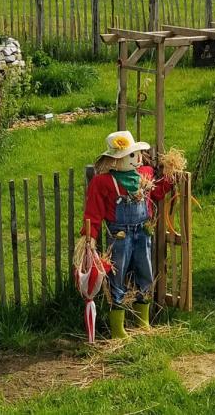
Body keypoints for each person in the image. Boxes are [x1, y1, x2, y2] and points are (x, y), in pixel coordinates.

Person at [79, 131, 175, 339]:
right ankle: (118, 329)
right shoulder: (103, 182)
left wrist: (170, 176)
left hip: (143, 232)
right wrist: (90, 237)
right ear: (115, 160)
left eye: (137, 153)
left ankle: (143, 322)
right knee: (117, 275)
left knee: (145, 272)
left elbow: (156, 193)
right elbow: (94, 212)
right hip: (119, 236)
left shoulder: (145, 174)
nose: (137, 157)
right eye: (130, 155)